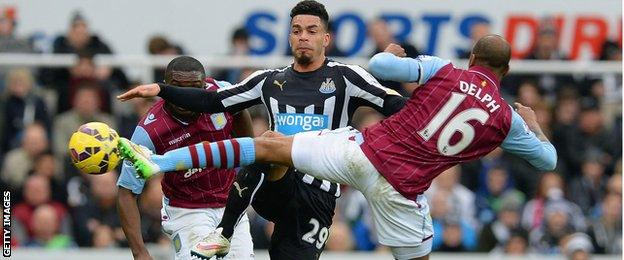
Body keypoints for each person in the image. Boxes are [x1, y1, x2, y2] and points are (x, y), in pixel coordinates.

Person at [118, 34, 557, 260]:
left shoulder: (444, 71)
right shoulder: (507, 117)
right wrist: (534, 126)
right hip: (401, 189)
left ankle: (161, 162)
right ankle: (221, 228)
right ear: (507, 68)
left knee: (267, 145)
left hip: (360, 152)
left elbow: (382, 66)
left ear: (473, 60)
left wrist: (388, 52)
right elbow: (547, 160)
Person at [118, 1, 406, 259]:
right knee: (268, 143)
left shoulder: (347, 77)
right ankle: (223, 232)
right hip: (275, 185)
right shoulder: (268, 81)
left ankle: (225, 228)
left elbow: (398, 106)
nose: (303, 36)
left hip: (317, 197)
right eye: (296, 30)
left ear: (325, 39)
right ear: (290, 37)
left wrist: (402, 72)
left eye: (312, 30)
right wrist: (160, 89)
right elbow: (213, 101)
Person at [116, 56, 255, 260]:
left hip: (231, 205)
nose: (186, 94)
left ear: (204, 84)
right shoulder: (149, 131)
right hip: (187, 211)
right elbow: (126, 191)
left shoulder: (220, 92)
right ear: (167, 88)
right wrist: (139, 251)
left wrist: (248, 155)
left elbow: (240, 110)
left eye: (194, 87)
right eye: (178, 87)